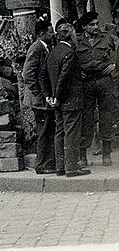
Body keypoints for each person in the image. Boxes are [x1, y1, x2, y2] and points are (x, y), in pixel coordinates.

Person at [40, 20, 90, 177]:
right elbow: (64, 78)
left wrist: (49, 96)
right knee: (72, 134)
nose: (76, 37)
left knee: (60, 132)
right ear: (70, 35)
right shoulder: (70, 53)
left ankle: (61, 166)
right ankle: (72, 168)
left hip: (58, 102)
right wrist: (57, 96)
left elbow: (42, 76)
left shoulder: (52, 52)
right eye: (75, 34)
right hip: (70, 101)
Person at [74, 11, 116, 166]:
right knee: (86, 118)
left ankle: (106, 153)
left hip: (104, 81)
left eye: (97, 23)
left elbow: (117, 53)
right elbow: (71, 60)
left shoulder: (107, 38)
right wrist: (78, 72)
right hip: (87, 83)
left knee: (106, 116)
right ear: (84, 26)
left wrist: (114, 65)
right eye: (91, 24)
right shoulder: (77, 41)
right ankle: (83, 155)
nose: (96, 27)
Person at [22, 20, 57, 174]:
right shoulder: (36, 48)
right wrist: (39, 94)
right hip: (39, 100)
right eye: (50, 31)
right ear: (42, 33)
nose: (53, 34)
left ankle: (47, 162)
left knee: (48, 129)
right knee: (43, 131)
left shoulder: (45, 47)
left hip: (42, 98)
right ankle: (42, 165)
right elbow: (28, 74)